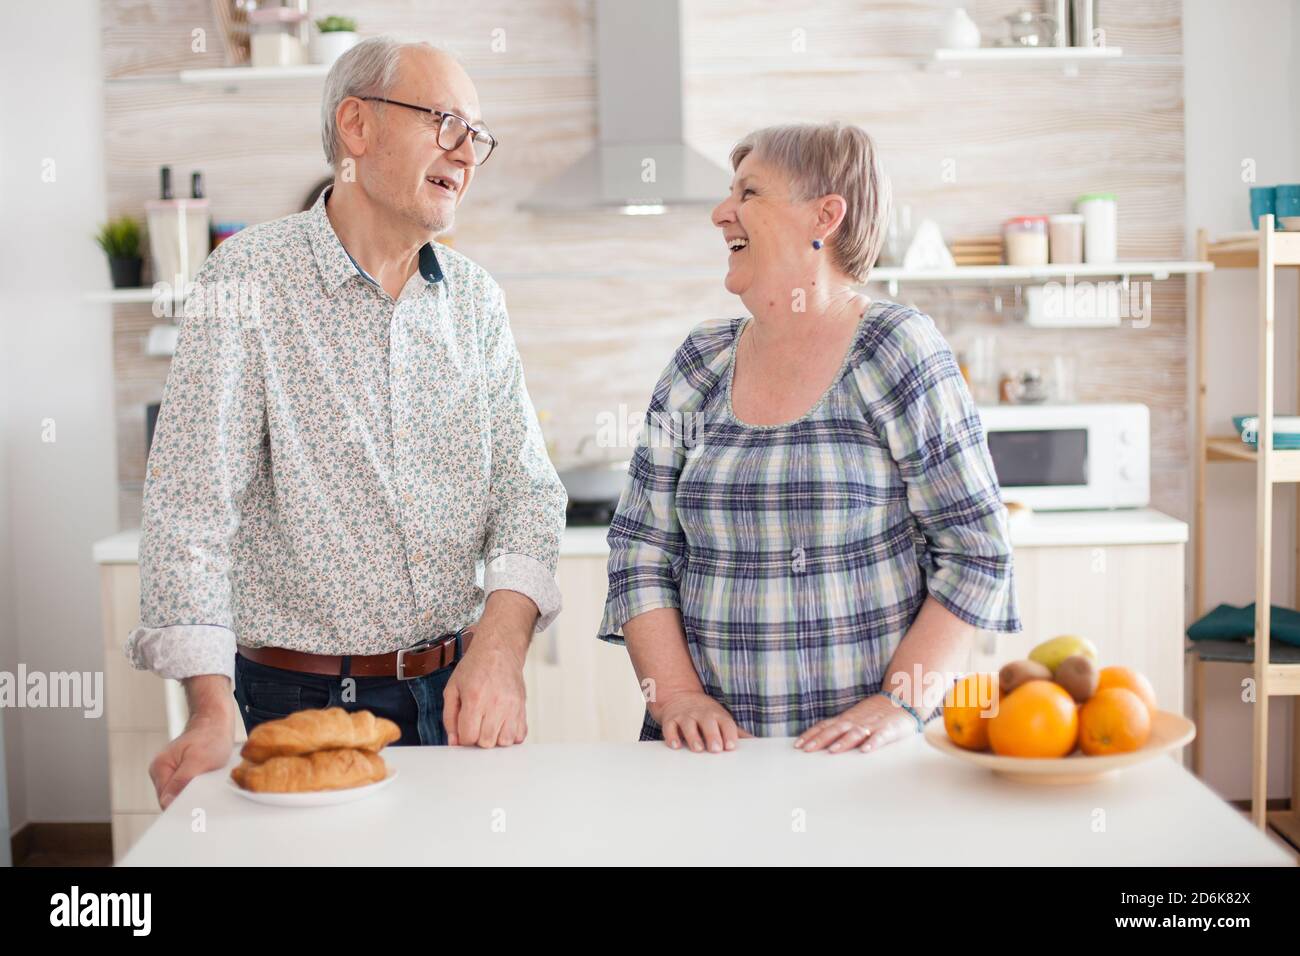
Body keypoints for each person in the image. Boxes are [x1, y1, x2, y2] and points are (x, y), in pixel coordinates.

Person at [129, 38, 566, 808]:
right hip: (293, 707)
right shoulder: (247, 278)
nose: (466, 153)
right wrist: (208, 704)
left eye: (478, 135)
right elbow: (190, 512)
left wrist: (499, 653)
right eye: (445, 122)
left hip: (455, 698)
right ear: (357, 127)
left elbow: (527, 493)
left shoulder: (475, 300)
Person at [599, 122, 1020, 755]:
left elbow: (976, 552)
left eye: (749, 193)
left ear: (823, 215)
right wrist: (678, 698)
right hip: (707, 761)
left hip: (864, 762)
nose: (721, 213)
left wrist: (899, 701)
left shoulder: (896, 349)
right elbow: (641, 553)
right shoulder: (700, 361)